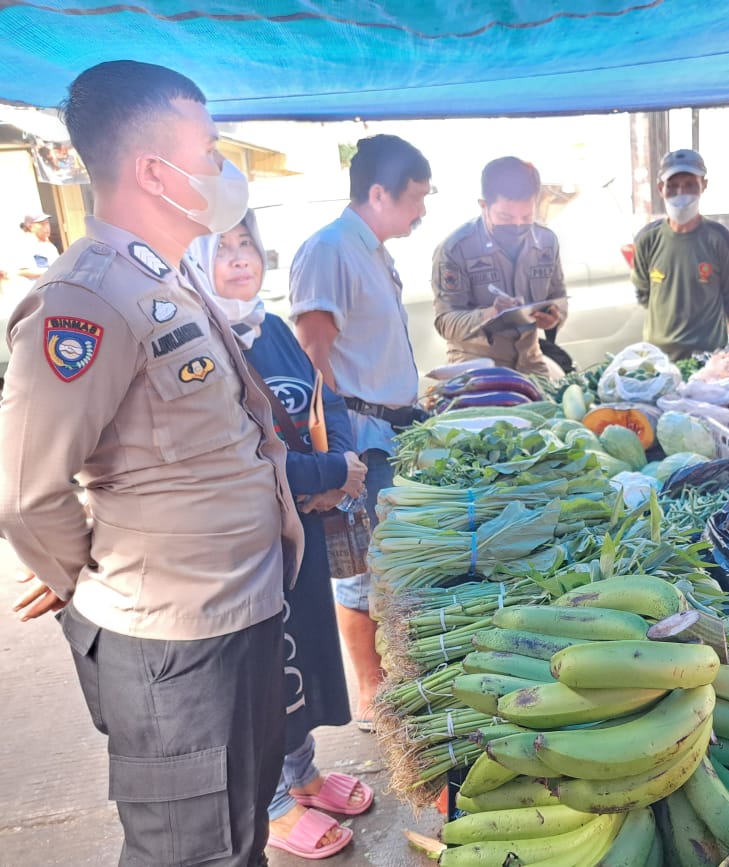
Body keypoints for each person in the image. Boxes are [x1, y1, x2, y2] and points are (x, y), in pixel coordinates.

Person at [0, 60, 304, 866]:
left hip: (237, 614)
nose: (222, 170)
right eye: (208, 151)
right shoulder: (86, 300)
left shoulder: (164, 277)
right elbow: (25, 495)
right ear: (152, 171)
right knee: (187, 853)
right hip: (171, 645)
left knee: (238, 837)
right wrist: (95, 576)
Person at [190, 212, 373, 860]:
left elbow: (327, 399)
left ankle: (302, 774)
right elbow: (231, 457)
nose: (240, 259)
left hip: (300, 522)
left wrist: (342, 465)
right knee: (263, 667)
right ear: (192, 255)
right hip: (244, 540)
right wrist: (327, 473)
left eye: (248, 246)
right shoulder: (196, 339)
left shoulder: (268, 327)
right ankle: (267, 804)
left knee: (306, 649)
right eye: (223, 248)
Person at [290, 134, 432, 731]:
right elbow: (311, 353)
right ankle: (370, 691)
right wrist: (335, 451)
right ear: (378, 193)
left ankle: (391, 675)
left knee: (388, 562)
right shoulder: (330, 250)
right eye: (414, 199)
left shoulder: (374, 250)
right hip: (358, 439)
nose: (421, 211)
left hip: (389, 433)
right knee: (359, 570)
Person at [431, 156, 567, 377]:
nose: (517, 224)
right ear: (484, 206)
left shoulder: (546, 243)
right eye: (505, 216)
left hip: (531, 365)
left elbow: (558, 298)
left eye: (526, 216)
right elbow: (446, 323)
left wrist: (554, 317)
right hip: (479, 368)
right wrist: (490, 313)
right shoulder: (456, 249)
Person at [631, 148, 729, 361]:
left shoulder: (721, 240)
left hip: (707, 359)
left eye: (690, 185)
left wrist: (706, 334)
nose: (681, 193)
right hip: (658, 359)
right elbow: (643, 293)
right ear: (660, 189)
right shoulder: (647, 239)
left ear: (704, 185)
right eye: (672, 186)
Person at [16, 212, 60, 283]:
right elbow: (21, 271)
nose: (47, 227)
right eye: (42, 224)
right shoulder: (24, 245)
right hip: (35, 290)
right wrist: (49, 272)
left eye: (47, 223)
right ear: (30, 227)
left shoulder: (50, 246)